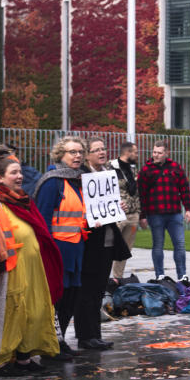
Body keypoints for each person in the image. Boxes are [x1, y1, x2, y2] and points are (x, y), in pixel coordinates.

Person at [0, 149, 63, 375]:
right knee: (10, 316)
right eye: (14, 173)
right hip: (11, 269)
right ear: (0, 178)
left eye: (20, 172)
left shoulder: (23, 200)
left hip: (33, 268)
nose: (20, 176)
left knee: (34, 312)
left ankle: (25, 356)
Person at [34, 136, 89, 357]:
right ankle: (51, 345)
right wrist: (48, 251)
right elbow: (43, 218)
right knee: (57, 300)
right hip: (58, 250)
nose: (77, 156)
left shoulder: (79, 180)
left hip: (76, 249)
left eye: (80, 152)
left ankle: (60, 341)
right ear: (60, 155)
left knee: (70, 300)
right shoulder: (52, 182)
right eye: (72, 152)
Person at [74, 138, 131, 350]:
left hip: (107, 238)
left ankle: (95, 334)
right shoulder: (82, 176)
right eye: (96, 150)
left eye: (103, 149)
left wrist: (118, 206)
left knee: (99, 289)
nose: (101, 152)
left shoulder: (106, 173)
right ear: (87, 154)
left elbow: (108, 203)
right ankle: (85, 335)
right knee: (87, 291)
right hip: (90, 240)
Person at [137, 142, 190, 280]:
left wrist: (188, 209)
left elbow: (184, 189)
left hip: (174, 214)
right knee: (158, 245)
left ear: (166, 153)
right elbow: (141, 195)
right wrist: (142, 216)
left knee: (179, 244)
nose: (156, 155)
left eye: (159, 153)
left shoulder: (175, 168)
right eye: (154, 152)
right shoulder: (146, 170)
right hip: (155, 214)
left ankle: (182, 275)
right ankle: (160, 275)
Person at [109, 141, 140, 280]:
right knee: (110, 247)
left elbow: (135, 191)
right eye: (135, 152)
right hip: (118, 215)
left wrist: (139, 212)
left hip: (133, 215)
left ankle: (117, 278)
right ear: (128, 152)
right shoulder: (111, 167)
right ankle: (103, 278)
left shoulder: (132, 169)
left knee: (126, 250)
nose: (137, 155)